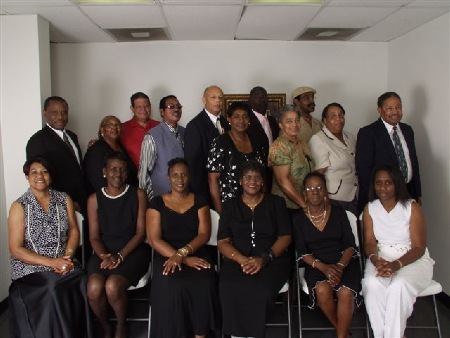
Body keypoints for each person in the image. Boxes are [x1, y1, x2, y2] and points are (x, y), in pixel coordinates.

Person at [8, 157, 92, 338]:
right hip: (31, 267)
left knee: (80, 276)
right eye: (34, 172)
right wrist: (52, 262)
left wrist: (68, 255)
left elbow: (74, 231)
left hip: (63, 259)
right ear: (27, 177)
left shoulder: (63, 199)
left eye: (44, 172)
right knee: (53, 285)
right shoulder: (19, 206)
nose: (40, 176)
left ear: (51, 176)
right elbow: (15, 249)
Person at [147, 158, 220, 338]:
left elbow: (204, 234)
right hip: (166, 254)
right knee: (172, 284)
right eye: (175, 175)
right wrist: (182, 258)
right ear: (168, 178)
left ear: (189, 177)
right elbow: (154, 239)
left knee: (205, 281)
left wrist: (184, 253)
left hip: (196, 249)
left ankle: (200, 332)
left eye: (184, 175)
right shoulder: (156, 203)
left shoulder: (200, 201)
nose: (180, 179)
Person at [217, 160, 291, 338]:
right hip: (237, 261)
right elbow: (223, 241)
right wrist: (242, 259)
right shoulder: (230, 205)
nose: (253, 181)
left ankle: (253, 334)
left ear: (263, 181)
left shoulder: (276, 203)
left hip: (272, 261)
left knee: (260, 289)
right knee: (228, 286)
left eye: (257, 177)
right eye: (248, 177)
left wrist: (265, 258)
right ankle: (236, 335)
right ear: (241, 181)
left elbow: (285, 237)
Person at [361, 165, 434, 338]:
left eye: (388, 183)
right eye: (378, 183)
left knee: (398, 286)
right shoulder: (370, 208)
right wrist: (375, 260)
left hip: (412, 258)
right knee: (371, 284)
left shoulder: (411, 207)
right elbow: (370, 242)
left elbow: (419, 247)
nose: (383, 188)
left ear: (397, 184)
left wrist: (396, 265)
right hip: (382, 256)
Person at [86, 151, 150, 338]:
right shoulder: (94, 199)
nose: (118, 173)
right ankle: (106, 326)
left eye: (122, 170)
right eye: (113, 169)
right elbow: (94, 237)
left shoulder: (138, 194)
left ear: (127, 173)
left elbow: (141, 233)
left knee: (113, 286)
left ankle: (121, 325)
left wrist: (120, 256)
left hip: (132, 250)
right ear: (104, 172)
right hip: (103, 252)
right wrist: (105, 256)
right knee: (94, 287)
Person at [292, 172, 361, 338]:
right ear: (304, 193)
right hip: (316, 264)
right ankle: (342, 331)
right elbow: (302, 251)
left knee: (345, 292)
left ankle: (341, 336)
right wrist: (324, 268)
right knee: (322, 290)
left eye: (319, 188)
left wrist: (339, 267)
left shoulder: (339, 213)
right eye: (309, 188)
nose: (314, 192)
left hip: (343, 261)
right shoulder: (298, 219)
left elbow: (350, 245)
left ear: (325, 191)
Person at [356, 91, 422, 212]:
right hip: (381, 197)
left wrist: (417, 194)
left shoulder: (407, 130)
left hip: (407, 194)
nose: (395, 112)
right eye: (390, 108)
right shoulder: (368, 133)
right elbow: (364, 171)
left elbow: (413, 163)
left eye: (398, 107)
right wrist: (375, 199)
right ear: (380, 110)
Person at [26, 96, 86, 214]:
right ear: (45, 113)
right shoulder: (38, 141)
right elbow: (40, 179)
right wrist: (65, 202)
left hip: (81, 202)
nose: (60, 117)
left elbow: (76, 168)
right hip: (59, 207)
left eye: (64, 112)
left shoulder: (72, 136)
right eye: (54, 112)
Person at [207, 101, 266, 214]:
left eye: (245, 117)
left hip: (256, 205)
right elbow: (212, 179)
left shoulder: (257, 141)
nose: (241, 121)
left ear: (249, 120)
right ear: (229, 119)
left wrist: (265, 202)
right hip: (231, 207)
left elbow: (262, 175)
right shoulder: (220, 143)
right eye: (236, 117)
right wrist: (221, 213)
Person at [309, 103, 358, 215]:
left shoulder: (350, 137)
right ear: (324, 120)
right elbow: (319, 174)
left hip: (354, 194)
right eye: (333, 116)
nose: (338, 119)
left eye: (341, 115)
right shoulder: (318, 139)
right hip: (334, 197)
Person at [184, 85, 229, 205]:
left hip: (226, 188)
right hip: (205, 190)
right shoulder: (195, 126)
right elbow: (193, 166)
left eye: (220, 97)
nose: (217, 101)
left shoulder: (226, 123)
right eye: (213, 97)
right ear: (204, 100)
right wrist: (200, 197)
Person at [138, 95, 185, 202]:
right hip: (161, 198)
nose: (176, 109)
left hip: (184, 197)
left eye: (179, 107)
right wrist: (150, 202)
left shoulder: (186, 132)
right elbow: (144, 174)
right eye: (171, 107)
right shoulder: (152, 136)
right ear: (162, 112)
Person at [268, 104, 315, 211]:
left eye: (297, 120)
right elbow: (282, 181)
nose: (294, 124)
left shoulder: (302, 143)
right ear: (280, 124)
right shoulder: (279, 146)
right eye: (289, 121)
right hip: (286, 207)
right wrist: (304, 205)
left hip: (304, 203)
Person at [84, 115, 137, 195]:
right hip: (108, 199)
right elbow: (97, 180)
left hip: (127, 194)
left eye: (117, 125)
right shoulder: (96, 149)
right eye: (110, 125)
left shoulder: (121, 147)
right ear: (102, 130)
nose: (114, 128)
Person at [247, 86, 280, 192]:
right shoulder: (246, 122)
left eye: (264, 97)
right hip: (255, 173)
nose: (262, 100)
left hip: (274, 172)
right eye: (257, 97)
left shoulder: (273, 121)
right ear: (250, 100)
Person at [121, 92, 160, 168]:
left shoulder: (160, 127)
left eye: (146, 106)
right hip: (132, 177)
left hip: (157, 177)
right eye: (139, 107)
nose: (143, 109)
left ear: (150, 107)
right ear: (132, 109)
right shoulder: (122, 128)